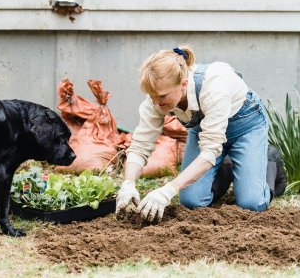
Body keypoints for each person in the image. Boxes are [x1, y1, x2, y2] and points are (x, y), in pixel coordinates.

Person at [115, 45, 286, 222]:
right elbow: (141, 145)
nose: (156, 103)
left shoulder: (213, 87)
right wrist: (128, 183)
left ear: (183, 84)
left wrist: (168, 190)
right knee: (191, 201)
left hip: (246, 126)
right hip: (206, 132)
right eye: (152, 96)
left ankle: (268, 160)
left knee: (252, 204)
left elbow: (210, 151)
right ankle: (226, 167)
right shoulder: (157, 97)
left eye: (162, 97)